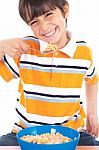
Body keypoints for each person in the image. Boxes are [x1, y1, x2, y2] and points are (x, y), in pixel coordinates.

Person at [0, 0, 99, 146]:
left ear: (65, 10)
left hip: (72, 133)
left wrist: (92, 113)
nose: (44, 27)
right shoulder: (25, 50)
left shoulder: (83, 52)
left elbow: (92, 79)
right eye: (35, 21)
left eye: (49, 14)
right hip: (26, 133)